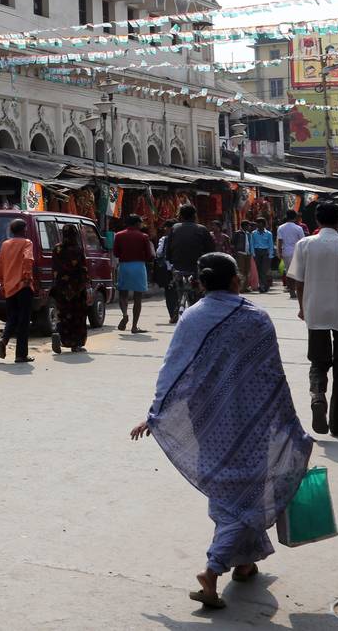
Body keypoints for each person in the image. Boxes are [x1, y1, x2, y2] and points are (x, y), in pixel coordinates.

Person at [130, 252, 312, 612]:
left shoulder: (192, 316)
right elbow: (273, 375)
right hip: (253, 415)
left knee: (227, 485)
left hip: (206, 417)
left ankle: (244, 562)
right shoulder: (256, 318)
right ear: (236, 280)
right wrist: (288, 422)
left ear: (201, 282)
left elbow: (174, 367)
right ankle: (212, 571)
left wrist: (156, 412)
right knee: (246, 487)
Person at [288, 201, 338, 436]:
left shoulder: (304, 245)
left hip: (315, 312)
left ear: (317, 220)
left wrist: (304, 308)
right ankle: (336, 424)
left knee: (318, 360)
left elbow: (299, 282)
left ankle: (317, 395)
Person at [0, 218, 36, 363]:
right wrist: (26, 278)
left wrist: (3, 283)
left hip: (9, 287)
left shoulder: (5, 244)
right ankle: (21, 355)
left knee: (12, 317)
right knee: (24, 321)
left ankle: (4, 340)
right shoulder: (27, 243)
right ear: (23, 230)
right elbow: (28, 260)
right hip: (23, 286)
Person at [166, 205, 215, 322]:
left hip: (178, 266)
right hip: (196, 267)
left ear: (181, 216)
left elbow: (168, 249)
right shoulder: (202, 229)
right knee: (199, 292)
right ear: (194, 215)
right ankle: (197, 313)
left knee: (177, 290)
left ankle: (175, 313)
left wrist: (171, 262)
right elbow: (211, 249)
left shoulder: (174, 228)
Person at [51, 223, 90, 354]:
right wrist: (86, 284)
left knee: (63, 314)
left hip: (60, 288)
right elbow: (83, 270)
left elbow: (55, 268)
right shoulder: (78, 250)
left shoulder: (56, 249)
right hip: (76, 289)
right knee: (77, 316)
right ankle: (76, 344)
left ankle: (60, 337)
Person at [113, 214, 154, 334]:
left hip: (124, 266)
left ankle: (125, 314)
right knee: (137, 298)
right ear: (137, 223)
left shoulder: (119, 235)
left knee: (122, 294)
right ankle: (134, 326)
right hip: (138, 266)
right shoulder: (143, 236)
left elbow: (116, 253)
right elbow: (149, 255)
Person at [276, 212, 306, 293]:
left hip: (286, 252)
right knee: (297, 271)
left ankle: (291, 289)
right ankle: (296, 288)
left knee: (289, 271)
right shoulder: (298, 228)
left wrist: (279, 252)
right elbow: (302, 241)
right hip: (296, 252)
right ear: (295, 217)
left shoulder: (281, 228)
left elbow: (279, 241)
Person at [248, 218, 276, 293]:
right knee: (258, 270)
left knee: (264, 270)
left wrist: (270, 254)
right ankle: (262, 285)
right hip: (257, 252)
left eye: (259, 223)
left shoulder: (268, 234)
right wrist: (253, 253)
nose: (258, 225)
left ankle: (263, 285)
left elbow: (270, 244)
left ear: (263, 224)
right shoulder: (253, 233)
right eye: (257, 223)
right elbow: (252, 244)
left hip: (265, 253)